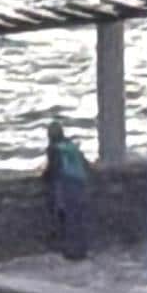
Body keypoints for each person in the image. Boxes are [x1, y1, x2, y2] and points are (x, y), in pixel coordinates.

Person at [41, 106, 93, 260]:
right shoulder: (72, 146)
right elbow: (86, 165)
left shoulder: (54, 149)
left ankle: (71, 253)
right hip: (80, 184)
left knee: (67, 218)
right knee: (79, 218)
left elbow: (53, 169)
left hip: (66, 186)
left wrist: (44, 177)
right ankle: (82, 250)